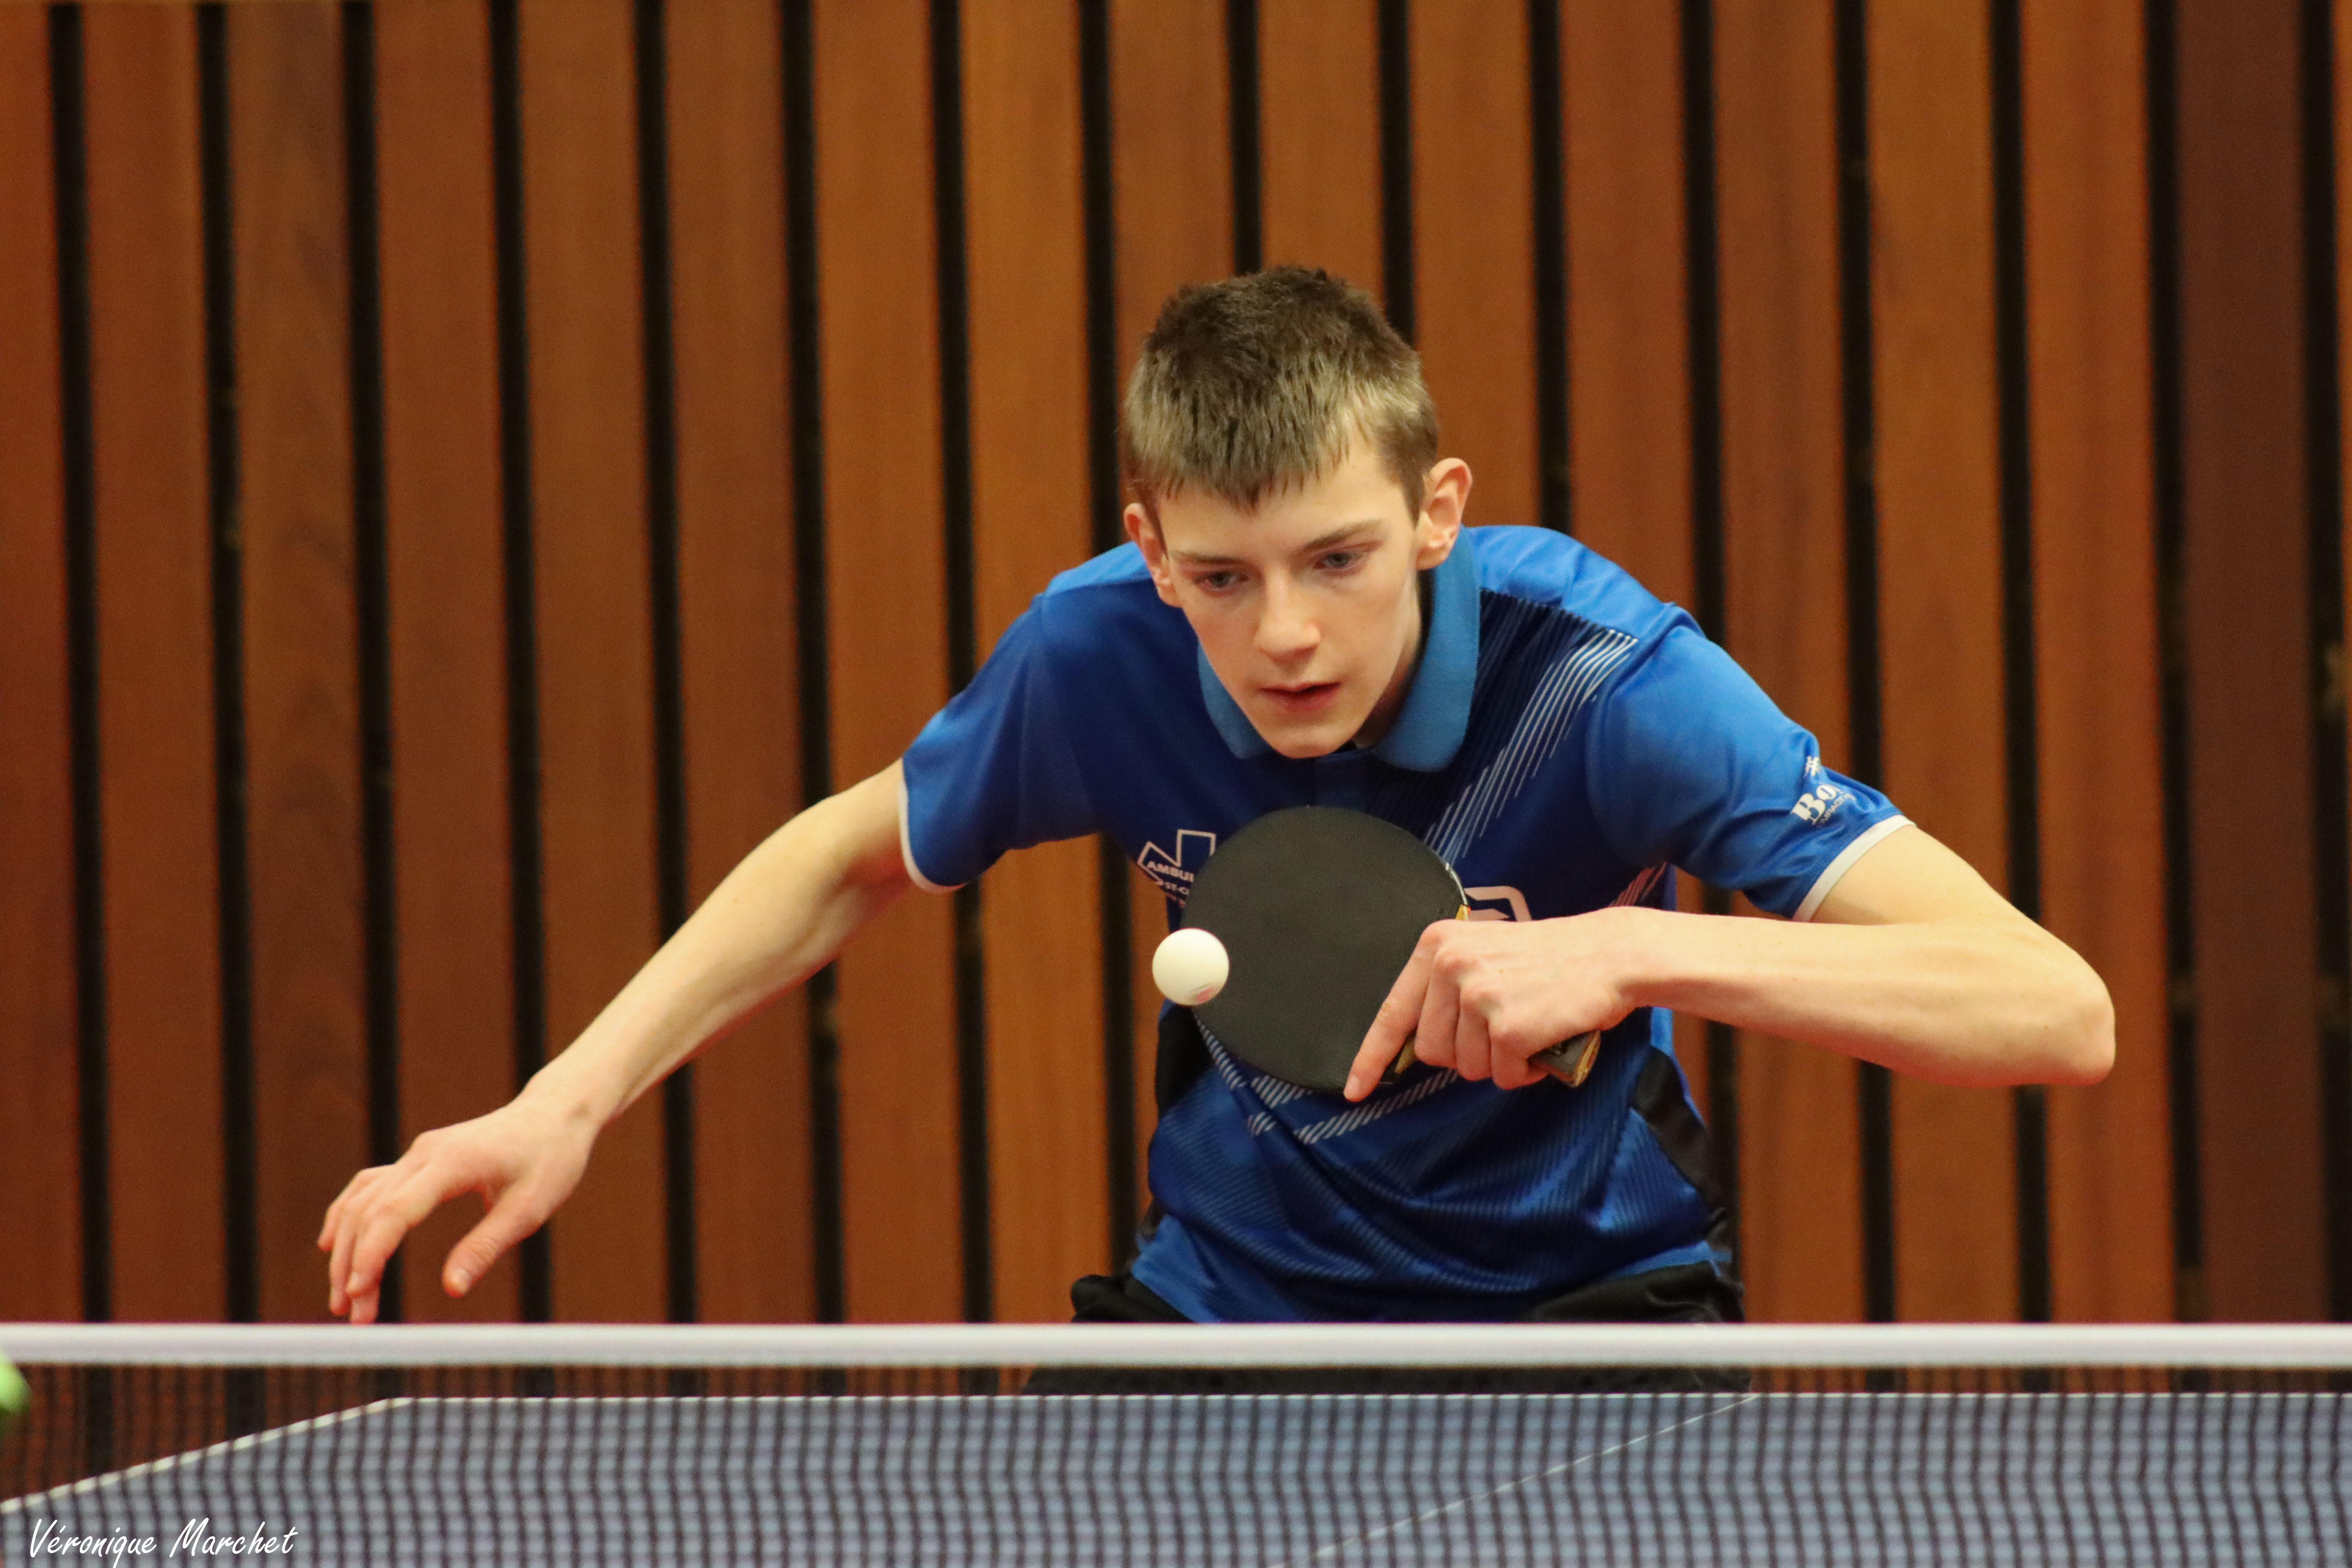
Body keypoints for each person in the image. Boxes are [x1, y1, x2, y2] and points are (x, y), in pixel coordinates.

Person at [319, 267, 2112, 1329]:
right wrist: (566, 1099)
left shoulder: (1606, 685)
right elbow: (852, 851)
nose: (1288, 634)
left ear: (1437, 511)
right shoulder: (1099, 653)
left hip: (1587, 1318)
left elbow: (2055, 1010)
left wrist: (1636, 949)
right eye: (1225, 577)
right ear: (1152, 546)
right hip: (1228, 1314)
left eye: (1339, 558)